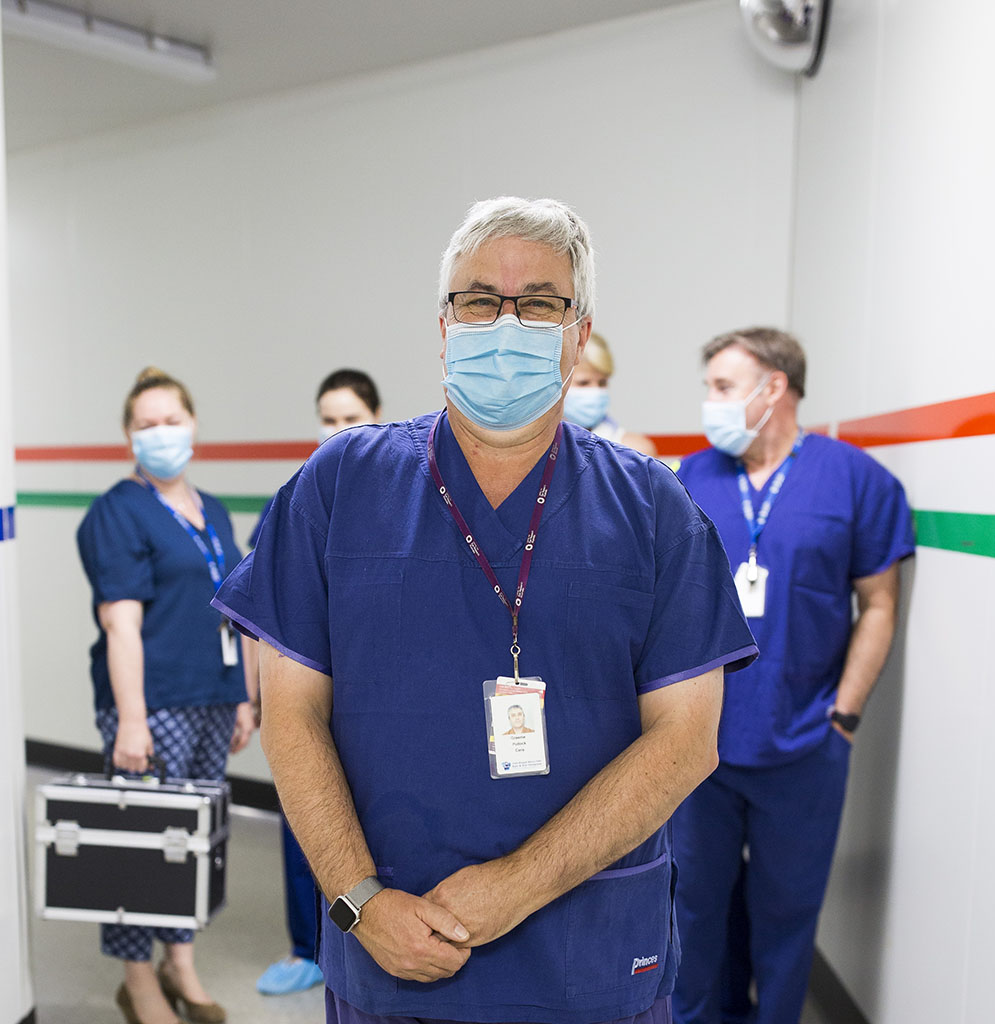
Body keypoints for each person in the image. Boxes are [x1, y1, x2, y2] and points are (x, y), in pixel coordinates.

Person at [212, 196, 758, 1024]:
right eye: (479, 301)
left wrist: (513, 886)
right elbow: (291, 717)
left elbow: (687, 741)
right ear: (444, 326)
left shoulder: (651, 507)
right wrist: (360, 901)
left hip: (591, 959)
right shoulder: (341, 486)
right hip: (393, 950)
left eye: (540, 302)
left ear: (578, 334)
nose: (506, 323)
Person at [670, 328, 915, 1024]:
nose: (709, 403)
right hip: (699, 747)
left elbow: (879, 605)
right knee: (694, 911)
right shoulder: (694, 478)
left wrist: (844, 716)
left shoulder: (855, 481)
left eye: (721, 387)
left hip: (805, 744)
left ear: (772, 387)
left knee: (786, 919)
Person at [77, 367, 257, 1024]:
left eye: (171, 420)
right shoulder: (116, 512)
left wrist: (242, 694)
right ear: (128, 435)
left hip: (210, 696)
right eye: (146, 425)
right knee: (139, 844)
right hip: (149, 707)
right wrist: (130, 720)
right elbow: (120, 622)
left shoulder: (212, 509)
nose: (161, 434)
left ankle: (180, 964)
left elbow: (235, 612)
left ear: (194, 424)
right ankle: (138, 981)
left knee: (193, 839)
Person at [255, 368, 382, 998]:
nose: (339, 431)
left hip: (373, 708)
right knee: (303, 822)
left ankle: (361, 934)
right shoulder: (298, 503)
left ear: (377, 416)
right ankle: (308, 947)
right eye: (328, 419)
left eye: (351, 418)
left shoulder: (403, 507)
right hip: (308, 700)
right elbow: (267, 620)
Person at [562, 331, 657, 455]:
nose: (595, 391)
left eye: (602, 383)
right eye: (583, 383)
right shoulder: (538, 449)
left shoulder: (635, 451)